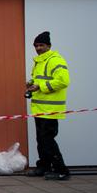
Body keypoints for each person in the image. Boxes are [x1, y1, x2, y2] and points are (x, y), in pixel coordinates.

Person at [25, 31, 70, 181]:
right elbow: (40, 80)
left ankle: (61, 170)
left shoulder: (55, 60)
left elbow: (63, 81)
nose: (38, 48)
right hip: (40, 109)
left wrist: (40, 87)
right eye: (36, 45)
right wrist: (32, 83)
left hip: (50, 110)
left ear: (49, 46)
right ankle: (44, 166)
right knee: (41, 140)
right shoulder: (40, 61)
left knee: (48, 140)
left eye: (41, 45)